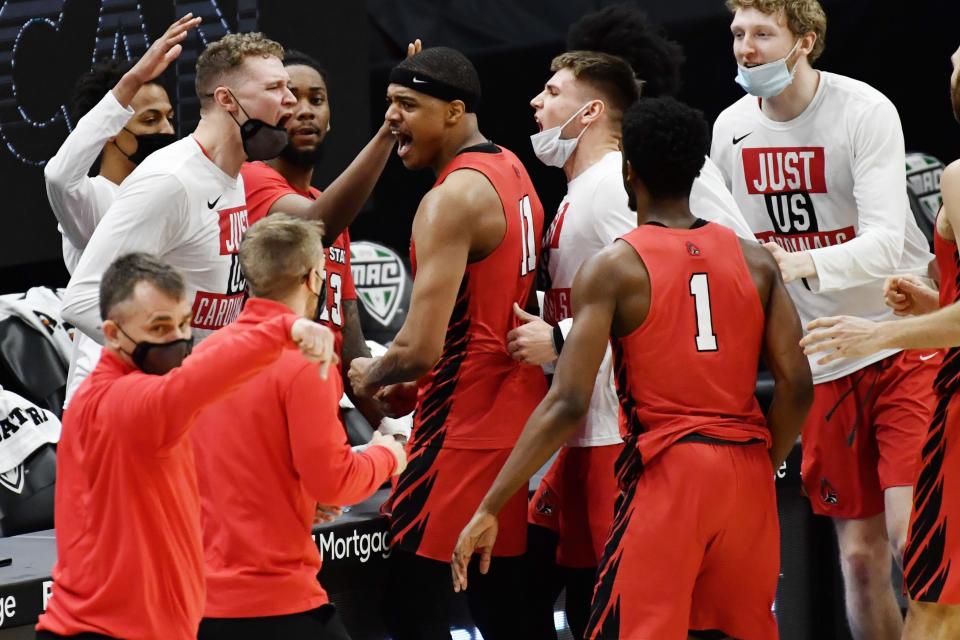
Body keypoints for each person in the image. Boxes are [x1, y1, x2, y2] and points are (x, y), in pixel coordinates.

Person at [453, 96, 812, 640]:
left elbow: (567, 400)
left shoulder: (617, 265)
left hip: (669, 473)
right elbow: (797, 385)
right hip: (748, 478)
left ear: (628, 170)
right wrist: (765, 461)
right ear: (697, 170)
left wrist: (489, 505)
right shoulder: (755, 259)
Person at [507, 8, 756, 635]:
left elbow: (676, 284)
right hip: (591, 430)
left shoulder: (614, 191)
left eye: (553, 91)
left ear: (592, 111)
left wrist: (560, 337)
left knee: (626, 610)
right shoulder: (579, 192)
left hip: (629, 432)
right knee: (578, 597)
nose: (536, 102)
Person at [709, 2, 936, 637]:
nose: (745, 48)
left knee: (907, 539)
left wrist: (797, 264)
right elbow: (736, 250)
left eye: (762, 34)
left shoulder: (863, 110)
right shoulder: (730, 129)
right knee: (859, 560)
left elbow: (889, 241)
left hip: (900, 342)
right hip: (824, 361)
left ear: (804, 41)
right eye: (737, 34)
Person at [347, 47, 548, 639]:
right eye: (388, 104)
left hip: (462, 430)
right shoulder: (511, 166)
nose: (392, 120)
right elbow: (483, 315)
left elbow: (421, 349)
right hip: (512, 415)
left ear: (455, 111)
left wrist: (370, 374)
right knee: (502, 606)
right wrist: (411, 379)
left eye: (407, 105)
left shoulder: (449, 200)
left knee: (411, 608)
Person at [35, 252, 335, 640]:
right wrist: (284, 330)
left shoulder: (129, 405)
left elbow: (180, 491)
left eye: (182, 324)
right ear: (111, 333)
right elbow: (196, 381)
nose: (177, 339)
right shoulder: (130, 402)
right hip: (108, 633)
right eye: (160, 328)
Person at [800, 42, 960, 640]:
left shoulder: (953, 174)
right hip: (855, 366)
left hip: (931, 376)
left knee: (932, 578)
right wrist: (932, 304)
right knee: (887, 566)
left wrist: (882, 330)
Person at [190, 214, 406, 640]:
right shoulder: (306, 357)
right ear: (313, 279)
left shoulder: (202, 356)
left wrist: (298, 497)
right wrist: (389, 454)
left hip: (202, 607)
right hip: (275, 602)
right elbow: (335, 482)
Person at [61, 32, 295, 348]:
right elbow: (82, 299)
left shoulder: (232, 177)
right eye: (274, 88)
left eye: (287, 87)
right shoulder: (171, 180)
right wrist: (174, 370)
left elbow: (215, 309)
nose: (290, 99)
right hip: (147, 394)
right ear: (226, 99)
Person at [239, 46, 408, 428]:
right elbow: (314, 227)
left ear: (330, 119)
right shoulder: (250, 181)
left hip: (317, 418)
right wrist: (388, 130)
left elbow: (349, 344)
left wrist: (392, 433)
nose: (305, 109)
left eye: (316, 99)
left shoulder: (329, 209)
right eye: (290, 98)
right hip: (263, 417)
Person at [44, 14, 200, 405]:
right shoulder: (94, 200)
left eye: (168, 117)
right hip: (104, 394)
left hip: (172, 383)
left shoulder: (179, 192)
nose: (166, 130)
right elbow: (60, 176)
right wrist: (130, 82)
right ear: (111, 127)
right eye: (150, 120)